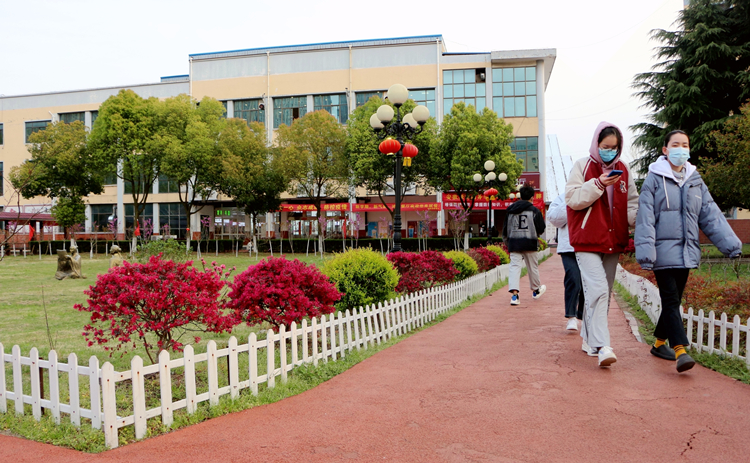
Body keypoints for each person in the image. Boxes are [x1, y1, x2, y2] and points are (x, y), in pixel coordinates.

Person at [635, 130, 742, 373]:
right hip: (662, 253)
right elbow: (646, 218)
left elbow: (711, 215)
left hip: (686, 253)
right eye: (675, 144)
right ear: (665, 149)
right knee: (671, 301)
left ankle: (659, 343)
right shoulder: (654, 179)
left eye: (685, 144)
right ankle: (681, 350)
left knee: (673, 301)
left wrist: (732, 246)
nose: (680, 148)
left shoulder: (695, 180)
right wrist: (646, 253)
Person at [566, 122, 639, 367]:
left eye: (614, 148)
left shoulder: (624, 170)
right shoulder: (582, 166)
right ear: (597, 144)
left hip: (613, 239)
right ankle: (602, 345)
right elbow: (573, 200)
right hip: (587, 239)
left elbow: (631, 205)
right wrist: (598, 184)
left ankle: (588, 338)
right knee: (597, 288)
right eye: (605, 147)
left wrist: (641, 220)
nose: (610, 152)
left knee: (603, 294)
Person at [503, 184, 546, 306]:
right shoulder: (535, 211)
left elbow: (505, 229)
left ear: (520, 196)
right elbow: (541, 228)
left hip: (514, 242)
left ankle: (515, 296)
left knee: (514, 267)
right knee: (532, 267)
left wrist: (507, 241)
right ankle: (536, 290)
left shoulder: (510, 210)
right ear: (532, 197)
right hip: (530, 242)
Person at [548, 193, 584, 332]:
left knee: (586, 280)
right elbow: (555, 219)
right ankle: (571, 316)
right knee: (573, 278)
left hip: (589, 245)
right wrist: (572, 201)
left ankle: (583, 314)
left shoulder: (593, 193)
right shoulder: (563, 198)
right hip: (568, 247)